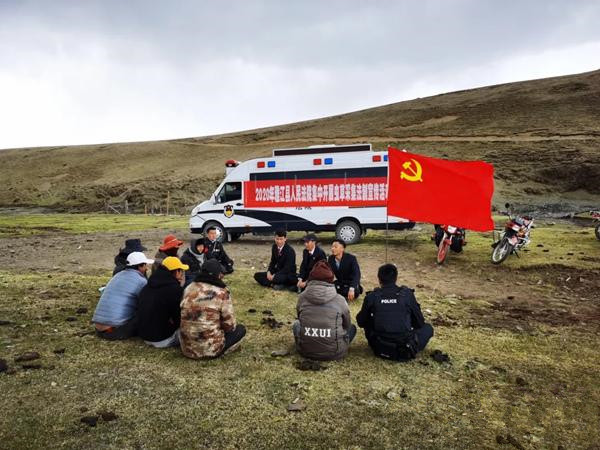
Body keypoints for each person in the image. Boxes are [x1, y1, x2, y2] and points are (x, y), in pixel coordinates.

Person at [356, 264, 434, 361]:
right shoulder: (407, 295)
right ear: (396, 278)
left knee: (367, 320)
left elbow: (361, 322)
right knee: (428, 328)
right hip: (405, 349)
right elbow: (419, 322)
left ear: (379, 279)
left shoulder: (372, 296)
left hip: (379, 346)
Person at [180, 259, 246, 359]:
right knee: (241, 329)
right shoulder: (221, 292)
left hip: (187, 349)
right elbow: (230, 326)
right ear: (218, 274)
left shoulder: (188, 288)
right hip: (211, 351)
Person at [293, 260, 356, 361]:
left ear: (311, 278)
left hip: (306, 351)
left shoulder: (301, 298)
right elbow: (347, 325)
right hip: (335, 352)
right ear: (331, 279)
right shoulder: (340, 300)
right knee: (352, 328)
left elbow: (300, 318)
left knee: (296, 324)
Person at [92, 251, 154, 340]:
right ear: (140, 266)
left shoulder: (118, 275)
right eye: (145, 265)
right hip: (114, 331)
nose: (147, 268)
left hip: (98, 328)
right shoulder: (141, 281)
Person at [137, 257, 189, 348]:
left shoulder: (148, 285)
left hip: (144, 336)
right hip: (162, 339)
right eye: (181, 271)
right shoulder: (175, 290)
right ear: (176, 272)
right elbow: (179, 319)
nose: (182, 274)